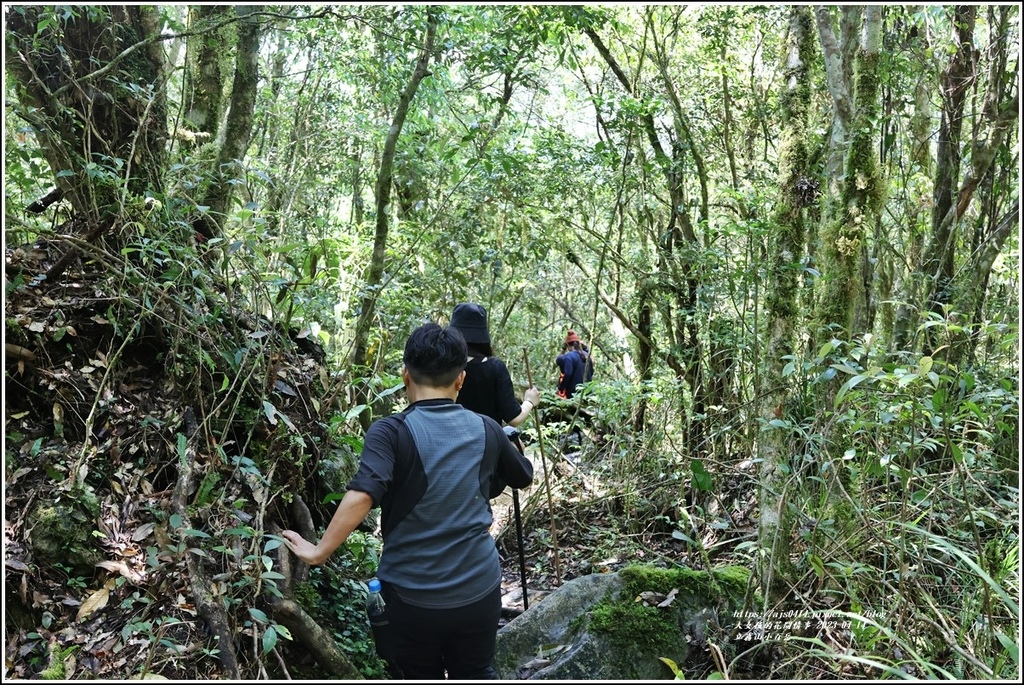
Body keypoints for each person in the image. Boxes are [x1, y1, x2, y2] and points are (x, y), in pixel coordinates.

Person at [281, 323, 534, 680]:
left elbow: (365, 493)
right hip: (479, 590)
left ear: (405, 375)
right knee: (476, 671)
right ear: (460, 379)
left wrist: (320, 551)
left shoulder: (390, 431)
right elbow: (523, 476)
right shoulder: (488, 428)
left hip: (411, 598)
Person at [448, 302, 540, 427]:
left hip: (447, 439)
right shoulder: (494, 368)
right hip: (487, 441)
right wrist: (529, 401)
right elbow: (513, 418)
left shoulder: (442, 365)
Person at [555, 330, 590, 399]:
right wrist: (586, 348)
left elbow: (568, 373)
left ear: (567, 345)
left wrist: (560, 388)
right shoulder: (587, 357)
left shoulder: (569, 357)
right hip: (587, 392)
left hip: (573, 394)